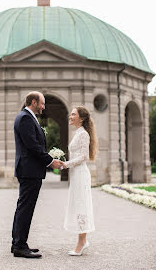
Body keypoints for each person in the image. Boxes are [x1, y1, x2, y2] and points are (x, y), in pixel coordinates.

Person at [12, 91, 62, 259]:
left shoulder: (26, 117)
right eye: (42, 103)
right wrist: (50, 161)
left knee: (24, 208)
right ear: (34, 102)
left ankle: (18, 244)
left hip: (29, 170)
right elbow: (32, 145)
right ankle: (19, 246)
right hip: (29, 170)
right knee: (25, 208)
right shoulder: (25, 118)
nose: (44, 107)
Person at [61, 106, 97, 256]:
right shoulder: (78, 133)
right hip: (76, 174)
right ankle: (84, 239)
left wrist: (65, 164)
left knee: (81, 205)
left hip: (80, 174)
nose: (70, 116)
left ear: (81, 118)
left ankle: (81, 243)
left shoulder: (83, 134)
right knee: (78, 205)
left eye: (73, 114)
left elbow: (84, 157)